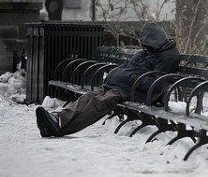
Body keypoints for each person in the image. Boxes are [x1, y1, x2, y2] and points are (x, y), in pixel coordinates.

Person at [35, 22, 180, 138]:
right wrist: (124, 75)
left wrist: (127, 76)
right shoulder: (150, 52)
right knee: (89, 97)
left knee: (102, 102)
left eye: (147, 44)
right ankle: (58, 118)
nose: (145, 48)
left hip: (137, 92)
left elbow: (156, 84)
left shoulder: (167, 57)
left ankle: (59, 129)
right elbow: (133, 68)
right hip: (124, 86)